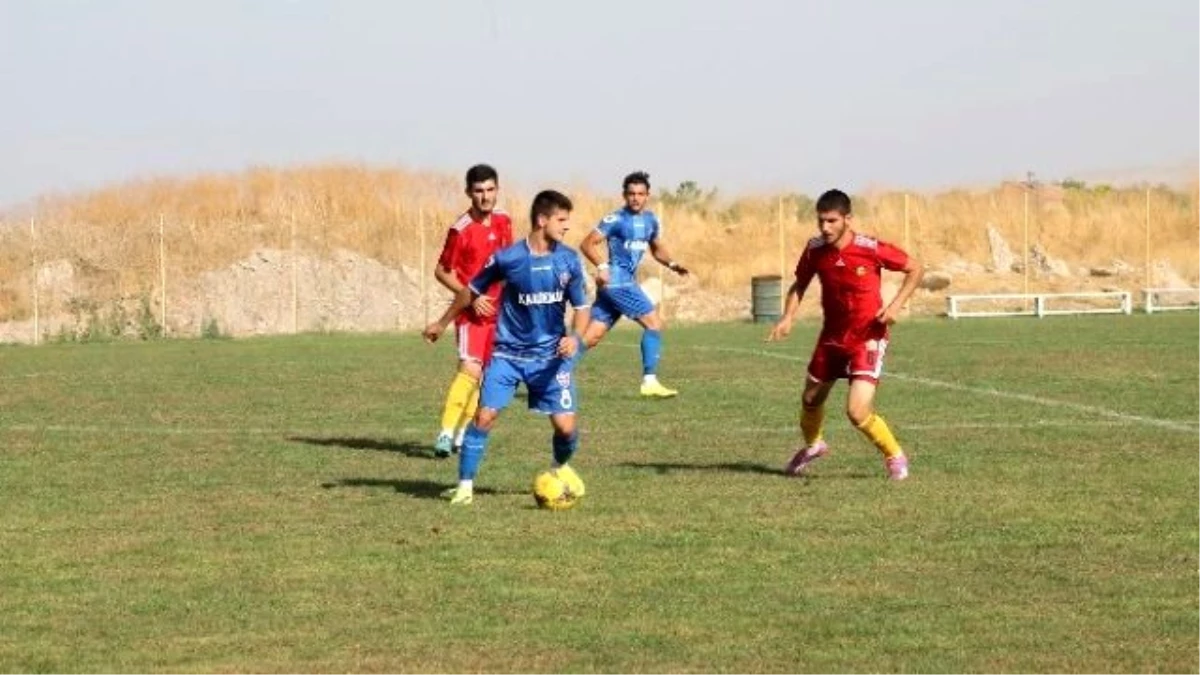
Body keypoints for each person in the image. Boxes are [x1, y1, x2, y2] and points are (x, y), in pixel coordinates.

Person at [423, 190, 591, 506]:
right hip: (508, 356)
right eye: (562, 220)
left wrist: (575, 337)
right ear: (543, 220)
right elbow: (470, 292)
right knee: (484, 417)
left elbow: (581, 307)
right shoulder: (508, 258)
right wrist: (443, 322)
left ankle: (560, 468)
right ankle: (465, 486)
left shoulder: (569, 260)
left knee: (566, 429)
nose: (567, 226)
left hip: (551, 358)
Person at [766, 189, 924, 480]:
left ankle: (895, 456)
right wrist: (788, 316)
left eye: (831, 221)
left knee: (857, 411)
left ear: (847, 219)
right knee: (810, 400)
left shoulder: (870, 248)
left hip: (868, 337)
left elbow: (915, 268)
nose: (825, 228)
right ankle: (814, 446)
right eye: (820, 221)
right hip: (832, 339)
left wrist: (896, 305)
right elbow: (799, 284)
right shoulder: (815, 249)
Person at [580, 171, 689, 398]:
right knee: (654, 323)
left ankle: (548, 376)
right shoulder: (616, 219)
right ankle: (649, 381)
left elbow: (656, 248)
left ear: (648, 195)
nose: (636, 198)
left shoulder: (651, 220)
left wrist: (672, 264)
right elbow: (587, 244)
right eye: (631, 194)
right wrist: (602, 267)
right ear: (624, 195)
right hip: (618, 281)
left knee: (590, 338)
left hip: (620, 284)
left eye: (640, 194)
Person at [431, 164, 513, 457]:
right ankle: (444, 433)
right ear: (469, 192)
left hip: (500, 314)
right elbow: (442, 271)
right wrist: (470, 295)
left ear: (497, 190)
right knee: (469, 369)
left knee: (485, 376)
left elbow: (506, 264)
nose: (485, 196)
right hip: (470, 314)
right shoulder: (460, 229)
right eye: (478, 191)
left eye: (490, 190)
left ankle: (462, 435)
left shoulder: (504, 222)